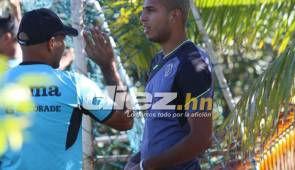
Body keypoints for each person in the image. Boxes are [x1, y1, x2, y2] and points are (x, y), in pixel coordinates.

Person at [85, 0, 214, 169]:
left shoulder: (191, 63)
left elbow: (201, 140)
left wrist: (145, 166)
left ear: (174, 15)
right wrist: (108, 67)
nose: (142, 18)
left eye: (151, 11)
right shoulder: (158, 61)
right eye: (143, 11)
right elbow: (132, 120)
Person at [0, 8, 133, 170]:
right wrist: (108, 67)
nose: (64, 46)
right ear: (52, 43)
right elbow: (125, 120)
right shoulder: (75, 84)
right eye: (63, 40)